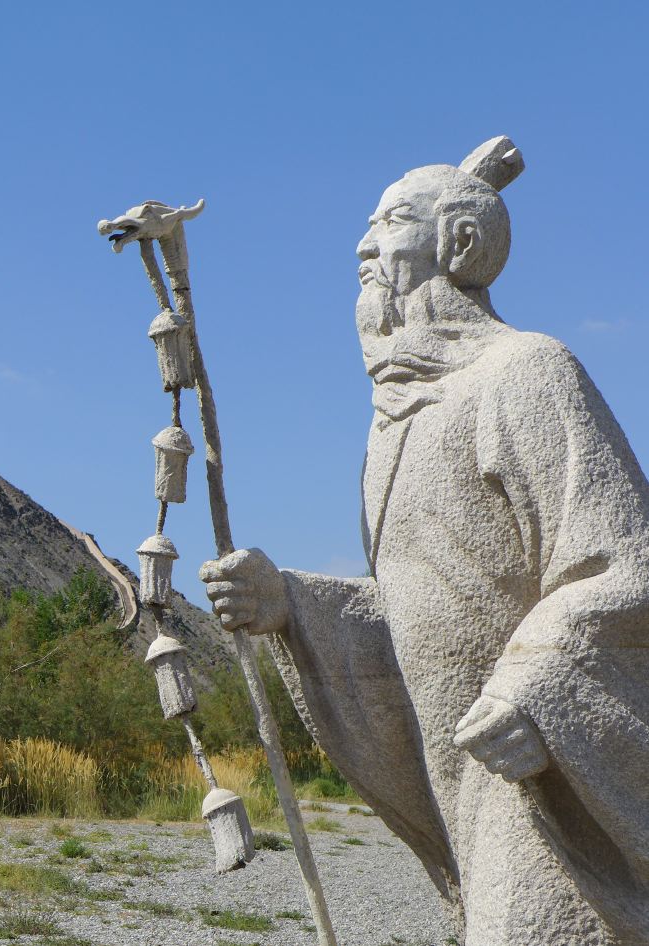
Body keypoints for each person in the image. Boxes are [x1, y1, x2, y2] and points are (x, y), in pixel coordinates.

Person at [200, 138, 649, 945]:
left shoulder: (529, 373)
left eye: (394, 221)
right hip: (465, 786)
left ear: (461, 245)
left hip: (539, 773)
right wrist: (294, 604)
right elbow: (426, 612)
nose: (364, 247)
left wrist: (535, 683)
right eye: (366, 226)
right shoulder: (396, 425)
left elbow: (626, 563)